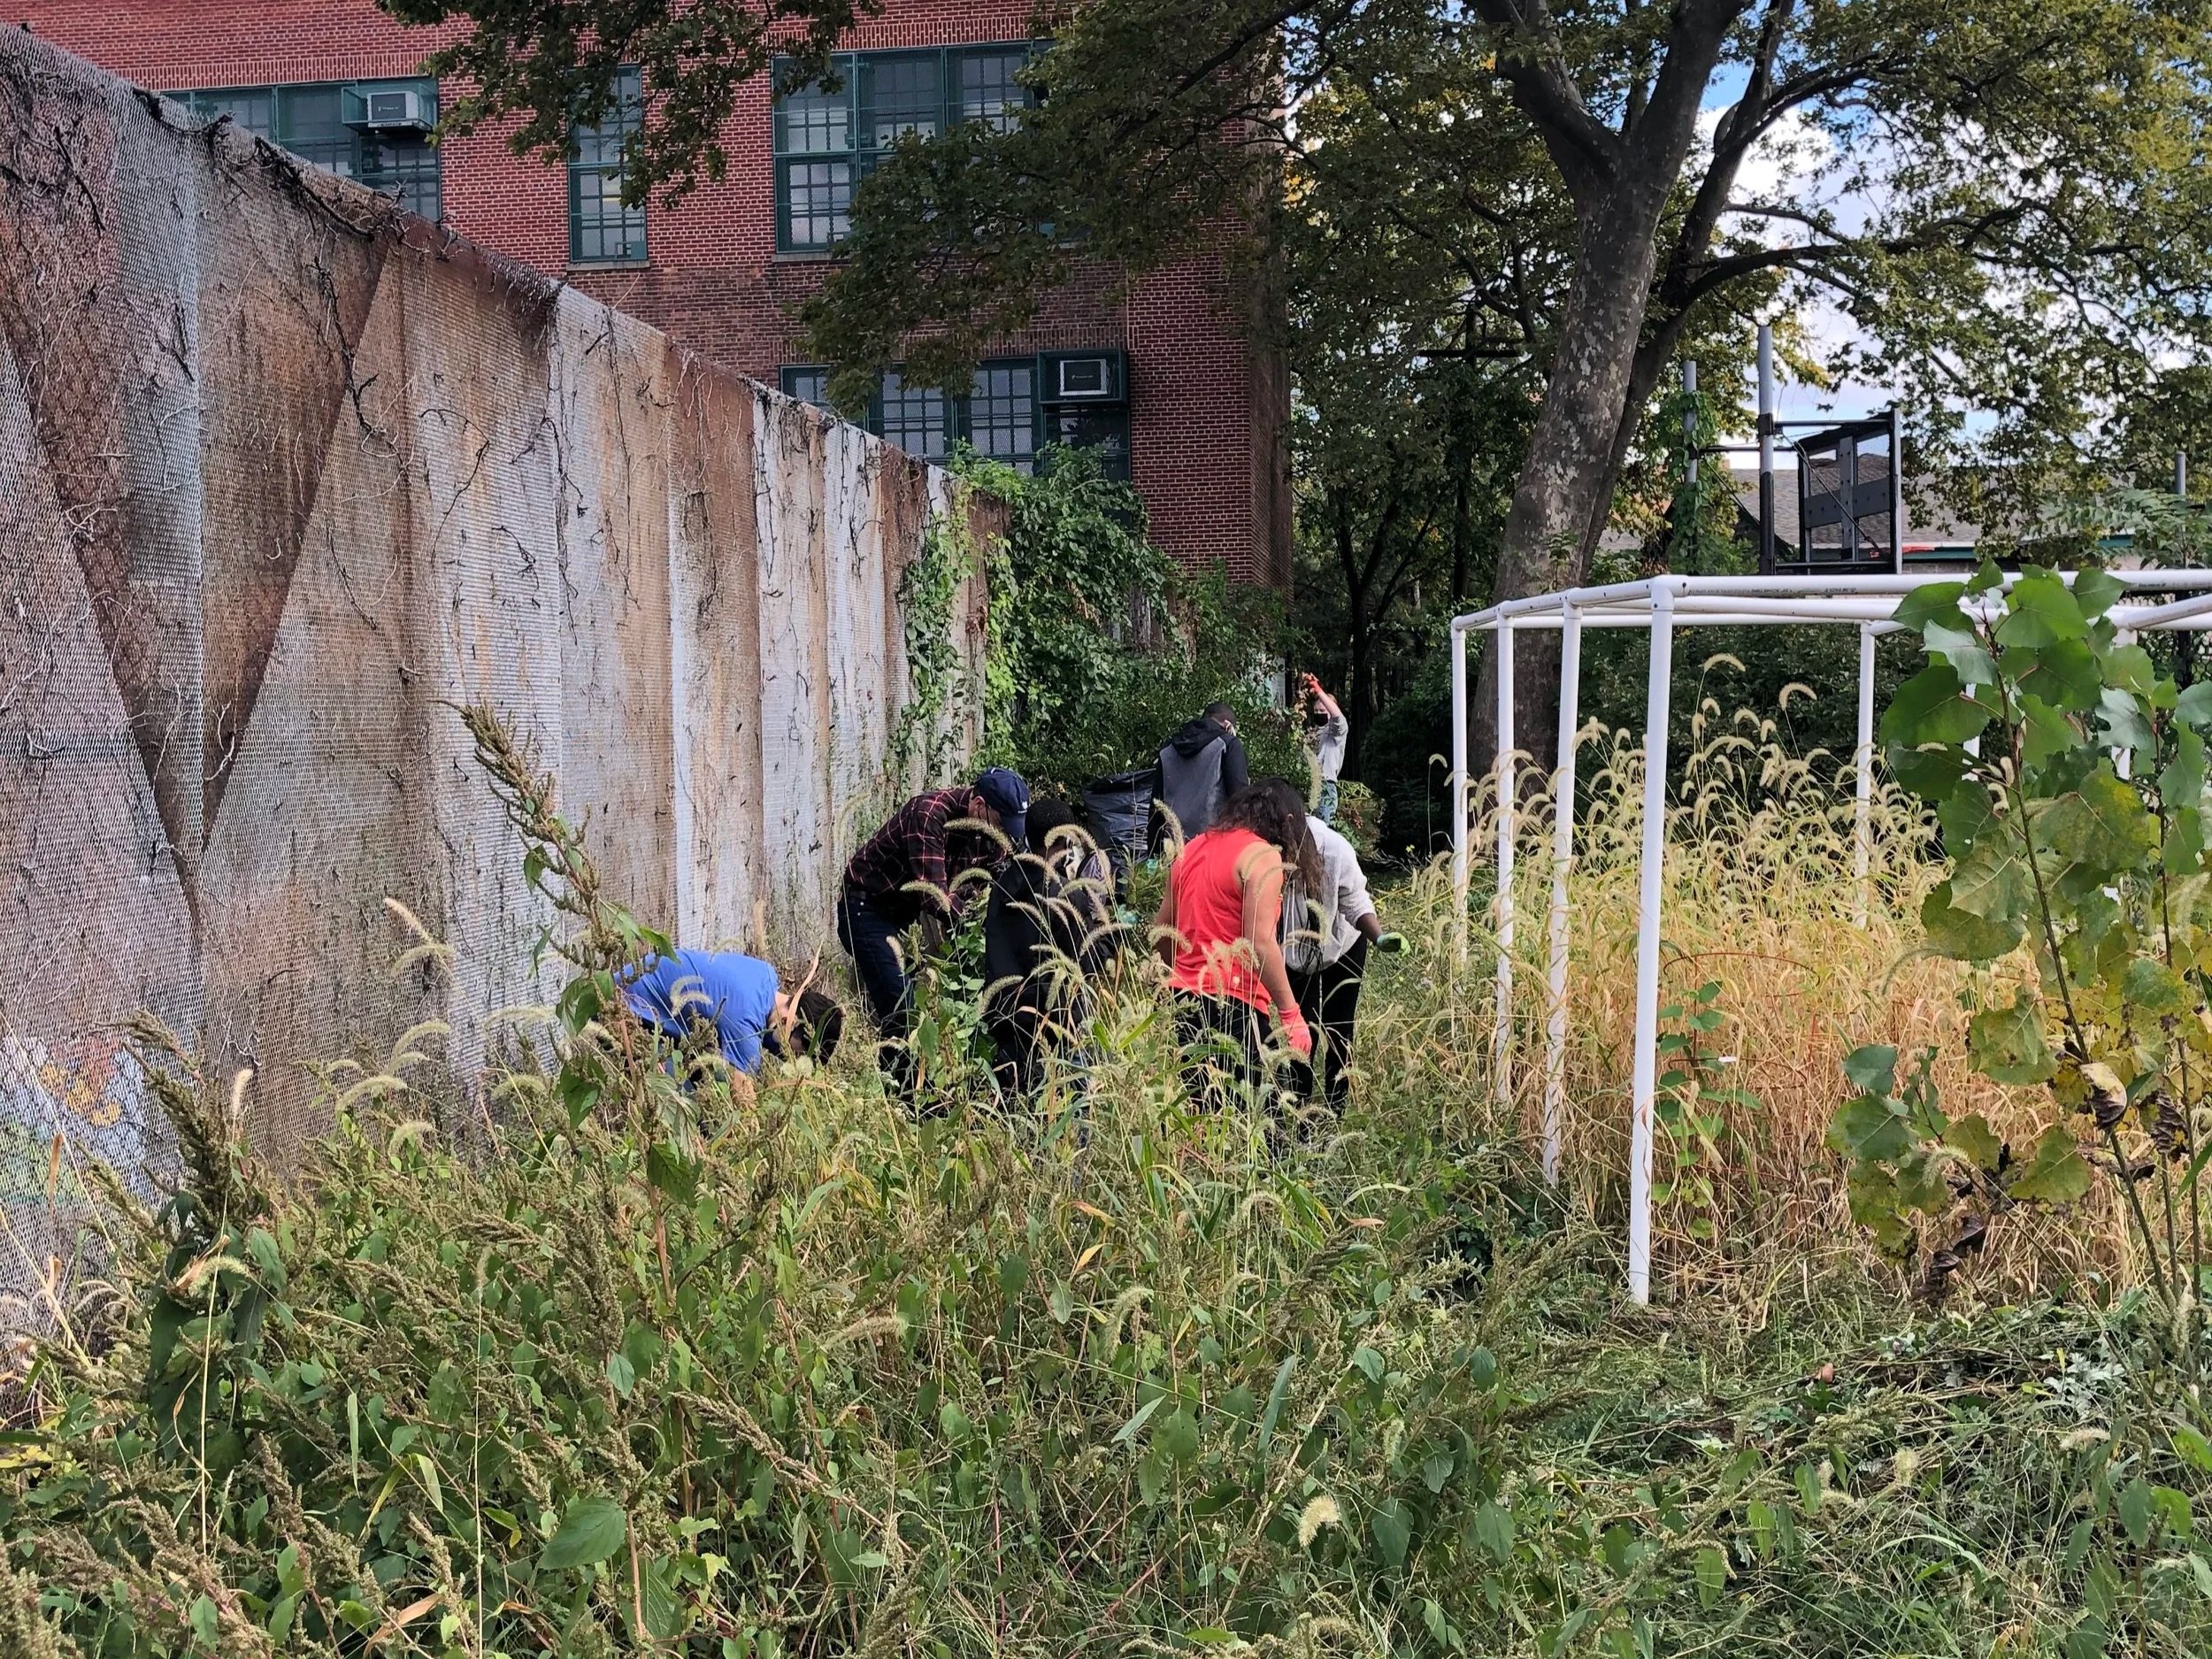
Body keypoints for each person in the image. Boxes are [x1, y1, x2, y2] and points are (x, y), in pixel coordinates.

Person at [838, 767, 1029, 1097]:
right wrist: (977, 921)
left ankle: (921, 1085)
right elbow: (933, 896)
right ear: (979, 805)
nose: (1002, 835)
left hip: (901, 918)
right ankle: (906, 1100)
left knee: (919, 1005)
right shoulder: (929, 815)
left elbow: (992, 881)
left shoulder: (989, 834)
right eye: (1000, 825)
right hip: (865, 909)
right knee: (902, 1008)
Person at [1154, 779, 1318, 1113]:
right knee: (1260, 1131)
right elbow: (1259, 941)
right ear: (1287, 823)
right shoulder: (1263, 857)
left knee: (1201, 1119)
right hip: (1234, 1009)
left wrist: (1166, 984)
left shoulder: (1192, 848)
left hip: (1182, 1004)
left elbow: (1162, 932)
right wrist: (1290, 1015)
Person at [982, 799, 1118, 1101]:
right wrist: (1108, 935)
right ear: (1065, 841)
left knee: (1015, 1102)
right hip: (1050, 1027)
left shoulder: (1004, 883)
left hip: (1005, 1017)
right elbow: (1085, 961)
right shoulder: (1060, 897)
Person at [1280, 812, 1406, 1125]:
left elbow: (1356, 901)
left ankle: (1336, 1108)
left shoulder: (1336, 850)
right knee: (1301, 1028)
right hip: (1294, 950)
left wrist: (1378, 937)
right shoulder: (1267, 853)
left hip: (1344, 942)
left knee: (1340, 1028)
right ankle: (1300, 1107)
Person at [619, 949, 845, 1076]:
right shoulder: (744, 1022)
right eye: (797, 1054)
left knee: (705, 1068)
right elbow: (744, 1103)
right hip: (625, 1009)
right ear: (790, 1022)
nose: (790, 1058)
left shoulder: (766, 974)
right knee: (689, 1099)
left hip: (639, 976)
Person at [1152, 702, 1249, 848]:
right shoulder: (1228, 745)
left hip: (1173, 853)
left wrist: (1153, 861)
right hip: (1213, 850)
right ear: (1228, 725)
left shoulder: (1168, 750)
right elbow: (1241, 802)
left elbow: (1155, 812)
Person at [1299, 674, 1350, 823]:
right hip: (1308, 786)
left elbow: (1338, 718)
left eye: (1323, 710)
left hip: (1325, 787)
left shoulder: (1336, 733)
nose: (1319, 714)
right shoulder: (1312, 734)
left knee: (1323, 831)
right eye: (1317, 711)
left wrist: (1319, 690)